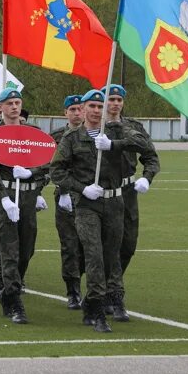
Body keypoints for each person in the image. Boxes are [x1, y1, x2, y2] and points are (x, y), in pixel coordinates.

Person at [49, 89, 148, 332]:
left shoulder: (116, 130)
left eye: (99, 106)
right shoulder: (72, 138)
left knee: (111, 255)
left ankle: (95, 302)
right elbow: (57, 170)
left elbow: (143, 143)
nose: (95, 110)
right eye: (91, 106)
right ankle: (98, 309)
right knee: (93, 254)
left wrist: (114, 144)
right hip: (88, 205)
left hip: (115, 202)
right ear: (82, 109)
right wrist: (81, 189)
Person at [0, 88, 50, 324]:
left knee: (26, 250)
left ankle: (9, 290)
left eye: (17, 102)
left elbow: (48, 163)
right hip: (6, 197)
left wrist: (34, 175)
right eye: (9, 103)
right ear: (1, 106)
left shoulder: (33, 133)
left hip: (28, 197)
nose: (14, 107)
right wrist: (3, 197)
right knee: (9, 251)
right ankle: (14, 301)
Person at [103, 84, 160, 320]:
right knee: (109, 245)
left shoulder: (133, 127)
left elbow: (151, 156)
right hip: (103, 192)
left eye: (119, 100)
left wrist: (147, 178)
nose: (115, 104)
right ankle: (114, 296)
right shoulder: (95, 127)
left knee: (128, 245)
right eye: (111, 99)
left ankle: (107, 288)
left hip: (127, 191)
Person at [52, 94, 86, 310]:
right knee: (70, 245)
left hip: (89, 196)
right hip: (66, 197)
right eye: (72, 109)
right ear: (65, 113)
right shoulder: (56, 136)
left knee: (88, 246)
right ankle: (73, 290)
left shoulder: (94, 133)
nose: (76, 113)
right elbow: (51, 167)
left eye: (79, 109)